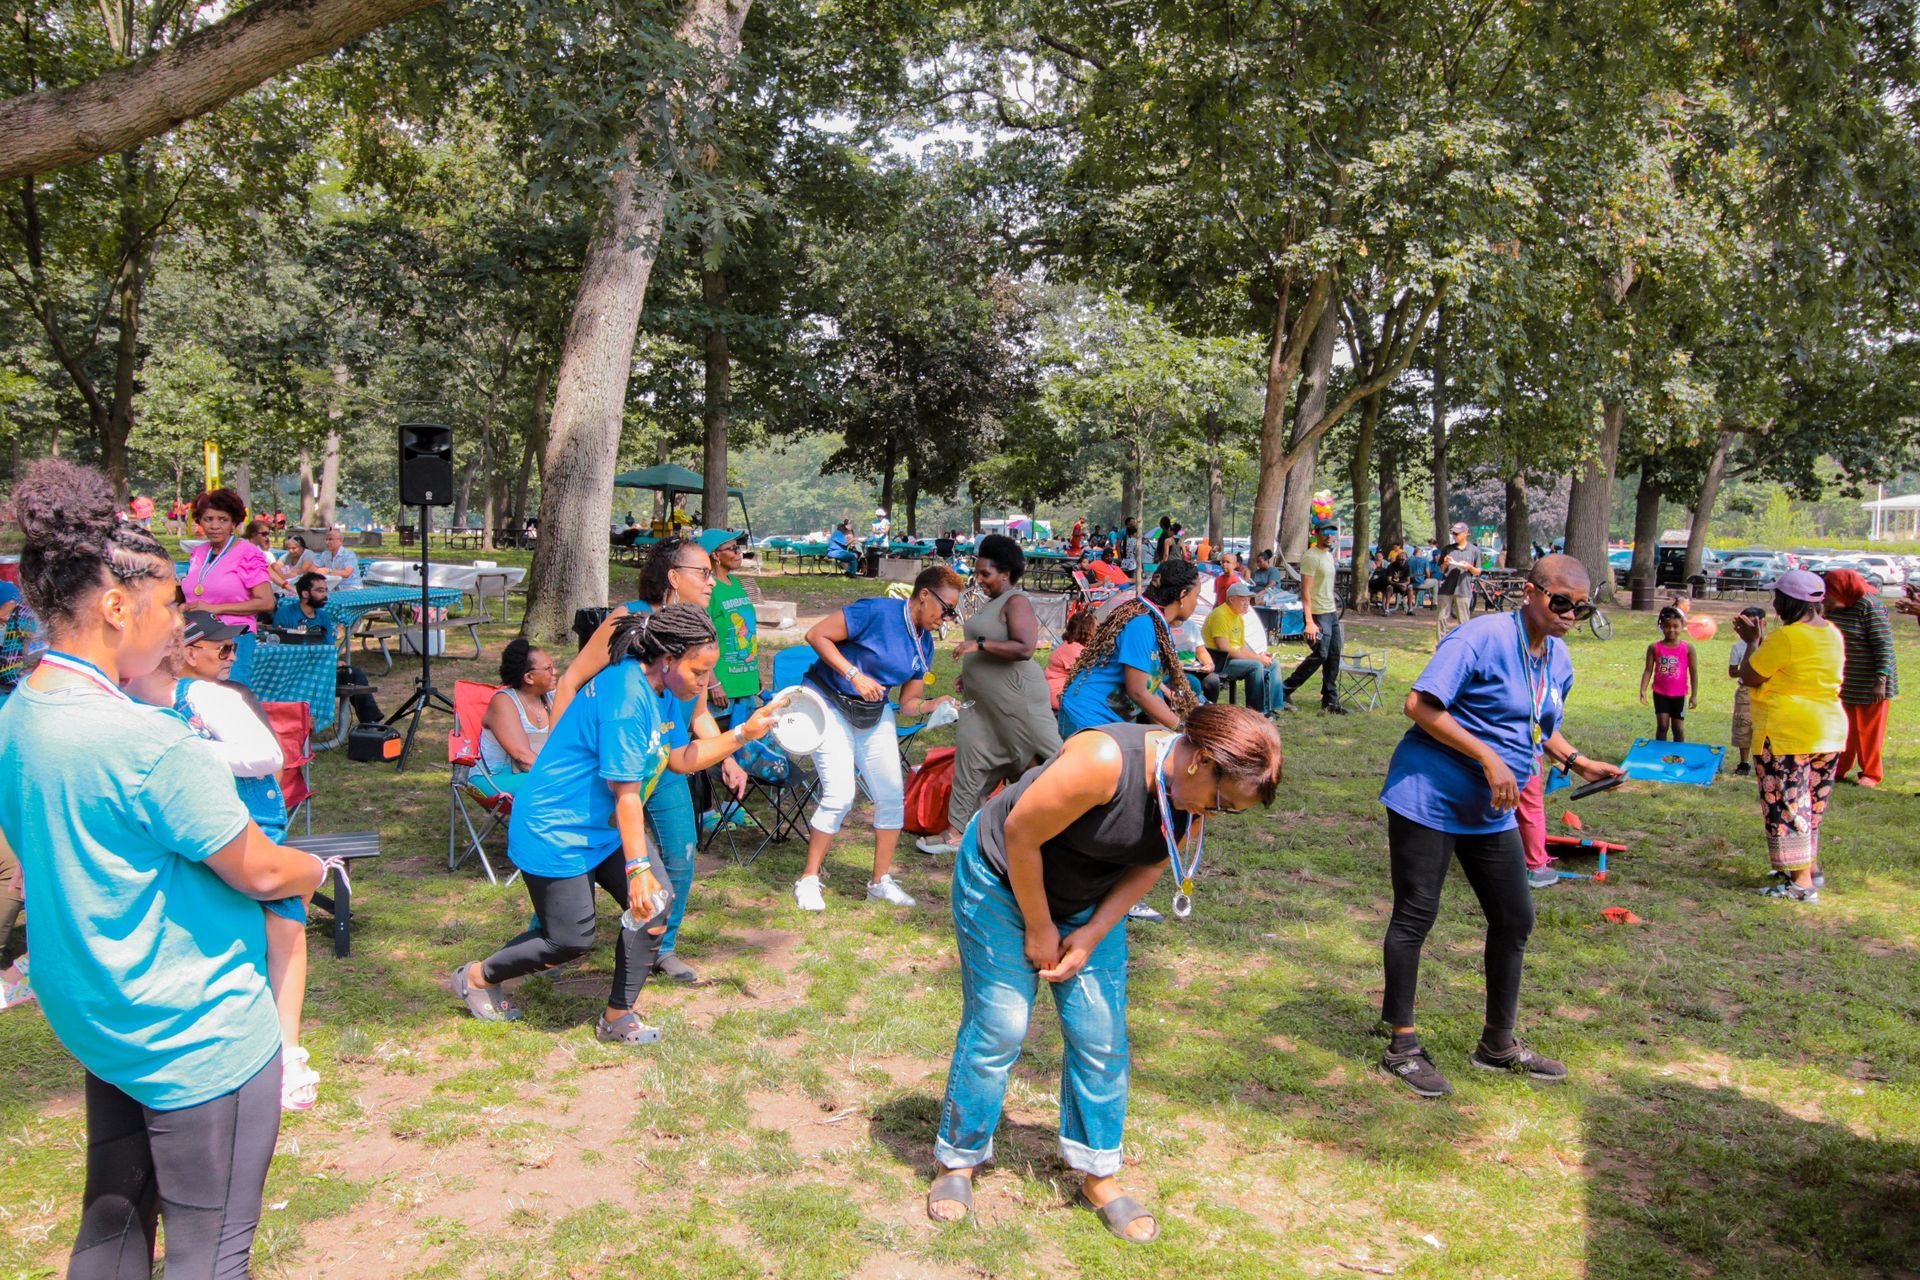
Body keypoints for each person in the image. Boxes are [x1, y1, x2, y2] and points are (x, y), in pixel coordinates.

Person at [0, 459, 327, 1277]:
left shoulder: (22, 710)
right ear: (117, 606)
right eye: (173, 602)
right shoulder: (150, 744)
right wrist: (314, 871)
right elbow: (258, 871)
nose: (181, 620)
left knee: (111, 1229)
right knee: (210, 1252)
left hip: (107, 1018)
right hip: (197, 1030)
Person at [925, 704, 1285, 1241]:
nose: (1214, 815)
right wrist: (1040, 927)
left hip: (1084, 900)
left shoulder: (1189, 800)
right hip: (1002, 877)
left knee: (1101, 1038)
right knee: (1001, 1025)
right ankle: (958, 1160)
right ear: (1201, 761)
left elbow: (1150, 864)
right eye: (1221, 801)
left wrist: (1090, 935)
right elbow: (1022, 835)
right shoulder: (1102, 761)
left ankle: (1097, 1172)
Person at [455, 606, 777, 1040]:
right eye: (699, 673)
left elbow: (680, 759)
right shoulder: (627, 698)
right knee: (568, 941)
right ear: (668, 658)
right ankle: (476, 977)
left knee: (654, 908)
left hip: (601, 829)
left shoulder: (662, 690)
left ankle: (616, 1016)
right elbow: (626, 794)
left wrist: (742, 734)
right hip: (556, 828)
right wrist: (638, 869)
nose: (705, 684)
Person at [1376, 555, 1623, 1098]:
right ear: (1531, 593)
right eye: (1561, 603)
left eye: (1581, 608)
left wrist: (1578, 761)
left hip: (1489, 809)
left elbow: (1535, 725)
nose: (1569, 615)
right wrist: (1489, 759)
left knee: (1515, 917)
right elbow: (1418, 704)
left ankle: (1497, 1044)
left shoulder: (1557, 656)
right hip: (1430, 794)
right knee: (1416, 914)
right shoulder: (1481, 637)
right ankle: (1402, 1046)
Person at [127, 614, 324, 1113]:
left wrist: (186, 756)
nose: (231, 656)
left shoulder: (209, 699)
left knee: (282, 929)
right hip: (175, 832)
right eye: (222, 649)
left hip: (249, 825)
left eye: (232, 649)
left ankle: (288, 1053)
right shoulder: (121, 704)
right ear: (185, 650)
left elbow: (268, 756)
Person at [564, 536, 748, 982]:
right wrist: (554, 751)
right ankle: (554, 938)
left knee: (682, 855)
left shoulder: (698, 629)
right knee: (586, 854)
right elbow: (571, 680)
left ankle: (661, 947)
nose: (711, 581)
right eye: (702, 573)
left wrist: (726, 755)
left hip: (667, 760)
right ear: (673, 577)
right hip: (612, 761)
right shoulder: (628, 620)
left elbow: (699, 711)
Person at [791, 566, 964, 911]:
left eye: (953, 613)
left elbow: (909, 703)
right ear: (925, 595)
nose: (948, 619)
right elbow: (816, 635)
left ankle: (879, 882)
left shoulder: (924, 643)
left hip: (872, 711)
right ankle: (809, 879)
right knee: (840, 794)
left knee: (891, 796)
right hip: (829, 701)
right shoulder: (876, 611)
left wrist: (934, 704)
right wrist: (853, 674)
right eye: (947, 609)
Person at [918, 536, 1063, 856]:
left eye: (985, 574)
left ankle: (1072, 820)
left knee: (1046, 762)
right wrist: (970, 673)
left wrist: (977, 647)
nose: (979, 579)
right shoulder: (993, 603)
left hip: (1017, 701)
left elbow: (1024, 647)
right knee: (972, 755)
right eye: (978, 572)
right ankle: (957, 832)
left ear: (1006, 574)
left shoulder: (1016, 601)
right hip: (983, 705)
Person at [1733, 570, 1846, 903]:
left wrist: (1752, 641)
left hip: (1786, 733)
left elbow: (1751, 675)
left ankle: (1801, 885)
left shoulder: (1787, 637)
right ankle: (1811, 870)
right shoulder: (1832, 634)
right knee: (1812, 804)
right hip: (1828, 730)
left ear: (1787, 602)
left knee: (1786, 805)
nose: (1774, 603)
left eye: (1777, 598)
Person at [1059, 559, 1203, 735]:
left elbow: (1150, 689)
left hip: (1110, 723)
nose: (1196, 603)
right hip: (1087, 718)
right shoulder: (1142, 623)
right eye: (1196, 596)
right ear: (1182, 595)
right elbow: (1138, 692)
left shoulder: (1156, 623)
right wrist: (1183, 730)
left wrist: (1173, 733)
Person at [184, 488, 276, 686]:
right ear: (199, 521)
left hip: (233, 639)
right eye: (208, 519)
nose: (215, 526)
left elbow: (267, 602)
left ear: (234, 522)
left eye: (222, 519)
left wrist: (214, 609)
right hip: (197, 638)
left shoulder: (248, 553)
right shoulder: (198, 552)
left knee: (230, 694)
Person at [271, 573, 384, 725]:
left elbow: (329, 648)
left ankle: (371, 723)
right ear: (305, 593)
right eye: (320, 591)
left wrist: (333, 662)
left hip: (322, 670)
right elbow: (280, 648)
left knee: (354, 674)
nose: (325, 595)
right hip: (295, 672)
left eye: (326, 590)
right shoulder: (286, 613)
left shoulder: (323, 616)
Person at [1823, 569, 1897, 788]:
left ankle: (1871, 774)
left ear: (1843, 590)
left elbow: (1884, 646)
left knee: (1868, 731)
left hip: (1872, 682)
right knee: (1842, 728)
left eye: (1830, 592)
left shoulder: (1870, 606)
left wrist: (1880, 680)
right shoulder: (1832, 609)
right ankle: (1837, 769)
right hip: (1843, 680)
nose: (1826, 597)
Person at [1280, 519, 1346, 715]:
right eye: (1325, 532)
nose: (1329, 536)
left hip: (1330, 613)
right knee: (1320, 654)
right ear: (1316, 533)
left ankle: (1330, 702)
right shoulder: (1311, 557)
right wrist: (1309, 621)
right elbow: (1306, 591)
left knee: (1334, 656)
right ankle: (1285, 689)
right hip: (1317, 614)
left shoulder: (1328, 555)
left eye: (1332, 533)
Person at [705, 529, 761, 730]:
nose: (739, 553)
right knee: (721, 750)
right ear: (715, 555)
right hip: (722, 686)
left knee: (747, 751)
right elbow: (702, 639)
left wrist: (755, 675)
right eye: (733, 548)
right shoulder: (708, 589)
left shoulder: (737, 583)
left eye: (739, 547)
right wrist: (712, 683)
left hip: (745, 680)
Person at [481, 638, 557, 774]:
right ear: (528, 677)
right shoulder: (503, 702)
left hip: (537, 775)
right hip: (498, 777)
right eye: (548, 669)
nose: (555, 672)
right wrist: (560, 777)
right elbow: (523, 758)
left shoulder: (552, 697)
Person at [1202, 582, 1280, 713]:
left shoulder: (1238, 617)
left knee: (1274, 664)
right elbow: (1225, 649)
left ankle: (1272, 709)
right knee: (1256, 666)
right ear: (1232, 599)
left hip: (1232, 659)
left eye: (1248, 600)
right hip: (1219, 662)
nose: (1247, 603)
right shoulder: (1220, 615)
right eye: (1243, 600)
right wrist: (1257, 659)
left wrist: (1260, 655)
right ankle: (1256, 711)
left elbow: (1241, 646)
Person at [1640, 606, 1698, 741]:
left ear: (1682, 626)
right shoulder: (1654, 647)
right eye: (1667, 626)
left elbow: (1694, 672)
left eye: (1675, 626)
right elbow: (1648, 670)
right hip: (1660, 694)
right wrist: (1643, 689)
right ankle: (1660, 755)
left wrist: (1694, 695)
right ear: (1661, 626)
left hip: (1680, 695)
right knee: (1662, 726)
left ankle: (1678, 756)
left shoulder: (1688, 648)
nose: (1671, 630)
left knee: (1678, 729)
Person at [1044, 609, 1097, 736]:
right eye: (1096, 627)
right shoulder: (1073, 649)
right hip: (1060, 696)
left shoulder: (1073, 646)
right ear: (1087, 629)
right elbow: (1092, 674)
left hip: (1063, 694)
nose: (1098, 630)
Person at [1727, 606, 1766, 776]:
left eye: (1753, 622)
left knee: (1763, 727)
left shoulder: (1770, 644)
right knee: (1743, 725)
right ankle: (1744, 762)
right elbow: (1732, 671)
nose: (1749, 625)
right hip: (1745, 691)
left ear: (1762, 623)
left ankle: (1762, 761)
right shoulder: (1738, 647)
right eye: (1745, 622)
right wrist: (1746, 670)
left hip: (1765, 689)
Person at [1436, 522, 1481, 641]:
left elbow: (1477, 571)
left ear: (1465, 534)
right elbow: (1442, 569)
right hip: (1446, 588)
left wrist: (1469, 567)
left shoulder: (1474, 550)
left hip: (1464, 589)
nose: (1454, 535)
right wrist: (1445, 562)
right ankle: (1440, 644)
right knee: (1441, 618)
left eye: (1457, 533)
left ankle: (1463, 644)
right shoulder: (1447, 549)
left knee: (1463, 620)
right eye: (1453, 533)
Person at [309, 526, 362, 590]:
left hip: (351, 587)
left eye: (330, 539)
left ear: (340, 541)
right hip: (333, 587)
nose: (327, 542)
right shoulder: (325, 554)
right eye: (326, 539)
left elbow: (347, 573)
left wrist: (328, 571)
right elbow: (313, 567)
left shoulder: (349, 555)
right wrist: (315, 570)